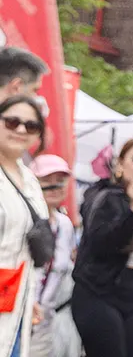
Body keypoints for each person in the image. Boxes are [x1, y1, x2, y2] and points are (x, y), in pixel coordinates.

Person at [73, 138, 133, 357]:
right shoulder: (105, 196)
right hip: (99, 293)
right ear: (119, 164)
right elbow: (104, 243)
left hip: (132, 298)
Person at [0, 96, 53, 354]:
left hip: (15, 303)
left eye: (31, 126)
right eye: (12, 122)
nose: (21, 130)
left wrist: (26, 294)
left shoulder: (30, 180)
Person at [29, 155, 78, 357]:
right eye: (46, 181)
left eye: (60, 179)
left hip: (51, 321)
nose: (55, 186)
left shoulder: (64, 224)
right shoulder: (24, 219)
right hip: (19, 316)